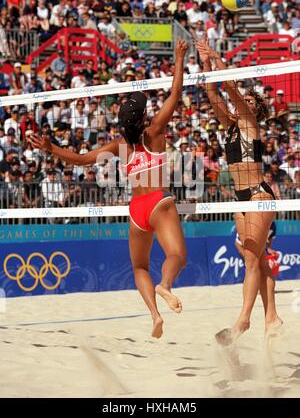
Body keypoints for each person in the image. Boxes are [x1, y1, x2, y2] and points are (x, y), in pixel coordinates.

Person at [29, 39, 189, 339]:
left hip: (137, 210)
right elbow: (176, 92)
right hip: (158, 201)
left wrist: (51, 148)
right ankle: (166, 285)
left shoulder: (119, 146)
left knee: (140, 267)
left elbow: (79, 160)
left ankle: (154, 315)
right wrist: (178, 58)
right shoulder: (154, 132)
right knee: (177, 256)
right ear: (143, 117)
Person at [195, 40, 282, 343]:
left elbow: (229, 87)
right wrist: (205, 65)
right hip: (241, 199)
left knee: (251, 260)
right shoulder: (232, 124)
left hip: (258, 195)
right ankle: (271, 316)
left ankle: (243, 321)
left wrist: (216, 57)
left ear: (255, 108)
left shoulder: (249, 121)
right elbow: (212, 93)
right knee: (251, 256)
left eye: (248, 99)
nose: (241, 100)